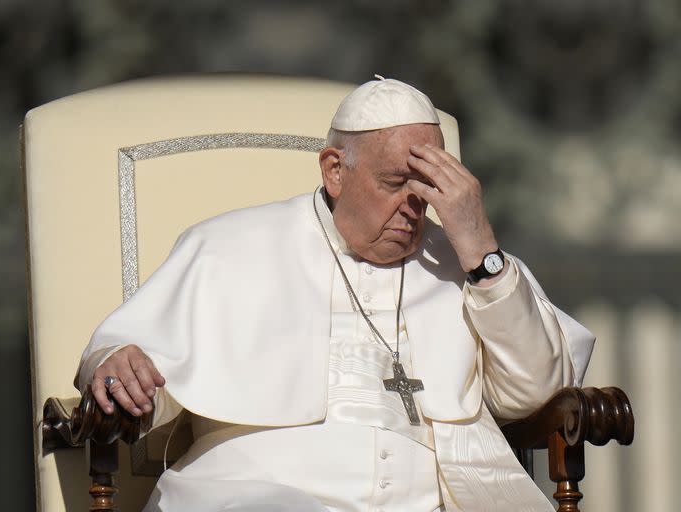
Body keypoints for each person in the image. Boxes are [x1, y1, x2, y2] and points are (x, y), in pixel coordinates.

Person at [75, 76, 594, 512]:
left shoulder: (464, 263)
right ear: (335, 170)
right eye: (395, 183)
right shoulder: (226, 245)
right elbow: (126, 358)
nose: (413, 208)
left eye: (429, 188)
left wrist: (481, 249)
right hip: (255, 495)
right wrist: (117, 361)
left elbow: (537, 391)